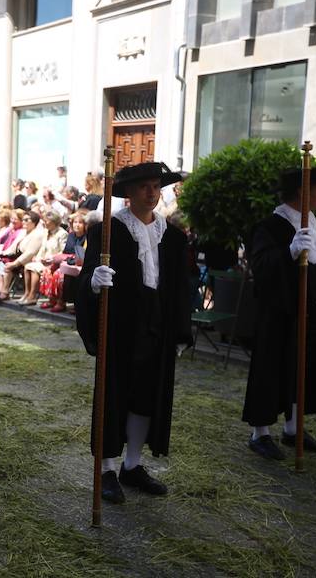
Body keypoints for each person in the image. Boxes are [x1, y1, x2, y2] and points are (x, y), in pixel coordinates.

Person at [75, 162, 192, 504]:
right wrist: (94, 284)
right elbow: (87, 276)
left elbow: (180, 287)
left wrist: (181, 329)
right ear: (129, 192)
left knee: (146, 394)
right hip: (122, 322)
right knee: (115, 394)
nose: (152, 193)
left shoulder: (172, 236)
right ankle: (106, 468)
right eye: (144, 187)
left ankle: (133, 463)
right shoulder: (108, 231)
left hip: (158, 321)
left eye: (157, 186)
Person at [243, 166, 316, 460]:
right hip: (280, 315)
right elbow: (260, 268)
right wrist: (287, 252)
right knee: (273, 370)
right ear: (302, 191)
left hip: (314, 312)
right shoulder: (270, 227)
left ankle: (293, 428)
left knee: (305, 369)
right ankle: (260, 433)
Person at [21, 210, 68, 306]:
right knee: (28, 266)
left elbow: (62, 251)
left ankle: (32, 296)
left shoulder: (62, 234)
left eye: (46, 221)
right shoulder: (46, 232)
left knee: (35, 268)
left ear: (53, 221)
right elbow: (43, 248)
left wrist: (50, 259)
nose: (44, 223)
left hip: (53, 261)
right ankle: (27, 293)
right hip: (44, 260)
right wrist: (38, 258)